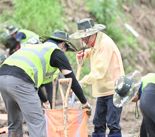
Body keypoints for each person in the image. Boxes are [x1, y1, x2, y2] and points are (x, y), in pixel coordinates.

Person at [0, 31, 91, 137]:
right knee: (37, 123)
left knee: (14, 123)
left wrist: (44, 100)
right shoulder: (56, 52)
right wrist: (84, 102)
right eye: (66, 49)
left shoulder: (34, 48)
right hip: (21, 80)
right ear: (62, 44)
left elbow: (34, 85)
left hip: (3, 76)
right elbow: (72, 81)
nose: (64, 52)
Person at [70, 18, 125, 137]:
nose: (83, 41)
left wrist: (80, 83)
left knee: (113, 124)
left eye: (85, 38)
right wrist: (86, 54)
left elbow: (99, 72)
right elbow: (96, 51)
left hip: (114, 89)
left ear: (93, 34)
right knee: (98, 124)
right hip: (103, 90)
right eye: (82, 38)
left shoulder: (105, 44)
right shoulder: (96, 43)